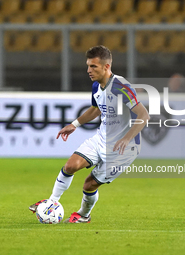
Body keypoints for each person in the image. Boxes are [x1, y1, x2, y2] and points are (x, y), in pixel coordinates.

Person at [29, 45, 150, 223]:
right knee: (70, 166)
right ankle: (52, 202)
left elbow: (143, 115)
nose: (88, 70)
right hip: (101, 139)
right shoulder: (96, 86)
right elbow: (95, 109)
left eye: (93, 66)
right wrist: (74, 124)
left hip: (122, 150)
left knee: (89, 184)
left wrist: (126, 138)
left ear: (106, 67)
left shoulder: (121, 87)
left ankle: (84, 215)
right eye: (88, 66)